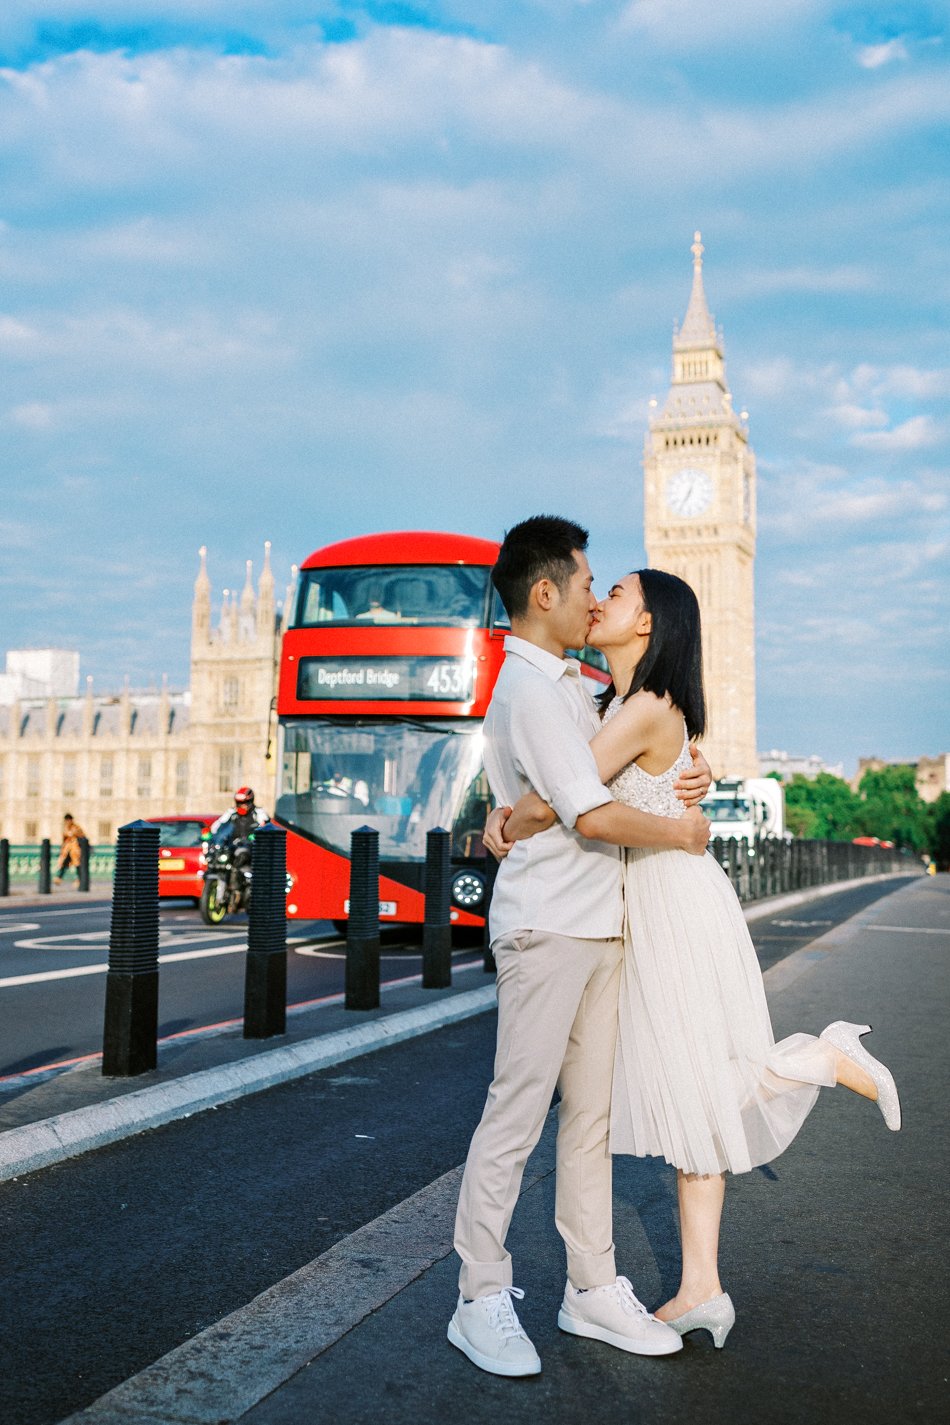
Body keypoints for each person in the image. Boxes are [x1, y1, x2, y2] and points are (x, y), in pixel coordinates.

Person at [495, 568, 901, 1350]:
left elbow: (561, 794)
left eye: (617, 592)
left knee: (702, 1080)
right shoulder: (625, 704)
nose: (600, 599)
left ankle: (823, 1053)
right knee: (691, 1094)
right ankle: (703, 1287)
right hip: (665, 898)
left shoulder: (643, 707)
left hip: (671, 904)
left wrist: (504, 823)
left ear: (647, 625)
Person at [449, 518, 713, 1379]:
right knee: (517, 1113)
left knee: (589, 1124)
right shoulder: (527, 692)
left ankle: (591, 1285)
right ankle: (478, 1294)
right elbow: (588, 812)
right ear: (545, 593)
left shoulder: (575, 685)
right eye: (589, 582)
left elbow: (634, 748)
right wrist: (682, 831)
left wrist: (691, 766)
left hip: (601, 921)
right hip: (548, 924)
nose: (598, 595)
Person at [54, 813, 86, 885]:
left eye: (68, 820)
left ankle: (79, 880)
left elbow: (82, 836)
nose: (67, 822)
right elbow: (64, 839)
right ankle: (59, 877)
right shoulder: (65, 828)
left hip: (75, 850)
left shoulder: (76, 827)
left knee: (77, 865)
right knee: (64, 864)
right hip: (67, 850)